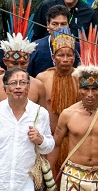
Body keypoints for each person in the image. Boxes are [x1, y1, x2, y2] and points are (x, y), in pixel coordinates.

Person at [48, 33, 98, 191]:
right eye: (85, 89)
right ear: (79, 89)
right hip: (73, 176)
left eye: (94, 89)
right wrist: (48, 174)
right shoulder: (68, 114)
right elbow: (56, 145)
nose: (90, 94)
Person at [0, 67, 55, 191]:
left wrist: (40, 140)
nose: (18, 87)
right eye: (13, 83)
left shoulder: (40, 113)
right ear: (5, 88)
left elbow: (49, 146)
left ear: (28, 87)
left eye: (22, 83)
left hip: (24, 184)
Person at [0, 12, 47, 110]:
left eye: (23, 63)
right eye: (14, 63)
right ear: (5, 61)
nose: (19, 67)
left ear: (29, 62)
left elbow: (41, 118)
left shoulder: (38, 86)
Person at [35, 29, 79, 173]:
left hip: (76, 142)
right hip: (49, 141)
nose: (65, 59)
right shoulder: (42, 78)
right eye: (61, 55)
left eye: (69, 55)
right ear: (53, 57)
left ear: (75, 56)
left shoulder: (82, 78)